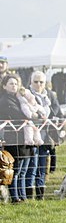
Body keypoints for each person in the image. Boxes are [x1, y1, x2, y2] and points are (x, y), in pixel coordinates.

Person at [28, 71, 61, 198]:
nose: (38, 84)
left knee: (42, 166)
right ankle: (29, 194)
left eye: (41, 82)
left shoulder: (50, 96)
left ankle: (40, 195)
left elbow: (57, 111)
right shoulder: (27, 95)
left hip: (46, 136)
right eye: (35, 82)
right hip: (31, 136)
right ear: (31, 82)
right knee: (32, 166)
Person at [0, 75, 32, 203]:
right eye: (11, 83)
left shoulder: (19, 98)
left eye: (16, 83)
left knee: (23, 170)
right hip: (13, 138)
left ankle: (22, 195)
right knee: (15, 170)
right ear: (4, 86)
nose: (14, 86)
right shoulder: (5, 101)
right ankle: (15, 197)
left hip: (23, 138)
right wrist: (32, 114)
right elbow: (20, 115)